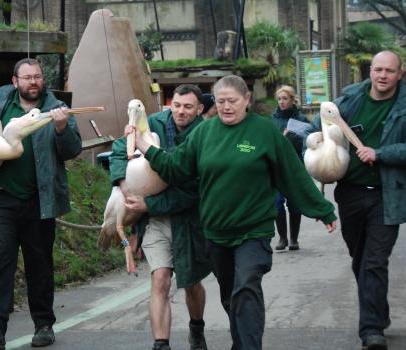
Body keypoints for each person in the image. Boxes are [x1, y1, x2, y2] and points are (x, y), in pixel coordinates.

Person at [133, 75, 337, 350]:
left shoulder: (264, 132)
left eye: (232, 101)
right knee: (231, 297)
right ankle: (242, 342)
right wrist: (145, 147)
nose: (226, 107)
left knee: (246, 288)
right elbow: (176, 168)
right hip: (216, 233)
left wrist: (322, 210)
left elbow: (293, 175)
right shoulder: (203, 133)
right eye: (220, 102)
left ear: (247, 100)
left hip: (253, 230)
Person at [0, 58, 82, 350]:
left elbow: (72, 150)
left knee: (40, 263)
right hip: (0, 198)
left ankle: (44, 325)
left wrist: (62, 129)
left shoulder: (56, 108)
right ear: (15, 81)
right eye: (27, 77)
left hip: (40, 200)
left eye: (37, 77)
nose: (33, 82)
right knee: (0, 261)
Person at [307, 50, 406, 350]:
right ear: (370, 71)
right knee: (360, 259)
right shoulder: (350, 99)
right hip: (351, 193)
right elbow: (321, 123)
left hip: (389, 194)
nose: (383, 75)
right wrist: (313, 139)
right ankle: (379, 313)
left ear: (400, 73)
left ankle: (371, 330)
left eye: (389, 71)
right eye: (378, 69)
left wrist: (379, 153)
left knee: (374, 261)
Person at [110, 84, 211, 350]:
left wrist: (149, 203)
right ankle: (161, 344)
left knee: (191, 283)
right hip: (154, 220)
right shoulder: (152, 123)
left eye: (188, 107)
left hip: (188, 219)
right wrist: (123, 183)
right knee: (160, 278)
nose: (180, 111)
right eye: (176, 105)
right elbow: (121, 148)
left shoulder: (205, 135)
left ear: (199, 109)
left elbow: (193, 191)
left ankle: (196, 328)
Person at [271, 85, 309, 250]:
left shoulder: (301, 119)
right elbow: (268, 142)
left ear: (292, 100)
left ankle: (294, 239)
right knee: (277, 203)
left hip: (295, 167)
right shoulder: (272, 120)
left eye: (285, 98)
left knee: (294, 204)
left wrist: (296, 137)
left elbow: (311, 141)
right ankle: (282, 238)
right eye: (279, 99)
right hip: (277, 167)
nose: (282, 102)